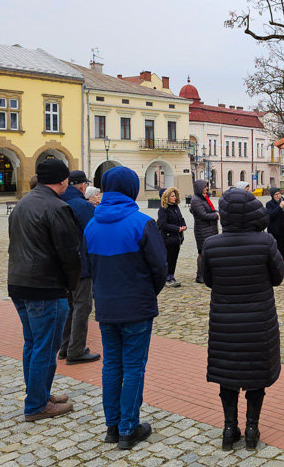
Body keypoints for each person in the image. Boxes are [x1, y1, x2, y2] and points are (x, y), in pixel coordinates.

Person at [85, 166, 168, 449]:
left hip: (107, 305)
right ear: (132, 189)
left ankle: (112, 425)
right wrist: (147, 292)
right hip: (136, 305)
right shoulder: (142, 223)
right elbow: (160, 267)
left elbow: (87, 267)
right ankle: (128, 427)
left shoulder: (91, 224)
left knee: (111, 365)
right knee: (133, 367)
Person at [200, 188, 284, 451]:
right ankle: (251, 428)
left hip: (224, 322)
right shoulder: (266, 242)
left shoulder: (211, 244)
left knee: (228, 374)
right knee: (255, 374)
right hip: (258, 321)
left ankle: (228, 428)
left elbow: (209, 281)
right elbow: (278, 277)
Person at [7, 159, 80, 422]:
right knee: (45, 348)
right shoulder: (58, 207)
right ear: (62, 181)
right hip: (45, 286)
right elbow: (68, 253)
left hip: (19, 283)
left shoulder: (23, 203)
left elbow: (14, 242)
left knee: (33, 344)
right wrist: (71, 285)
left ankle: (39, 394)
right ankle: (37, 405)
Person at [58, 170, 100, 365]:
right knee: (82, 307)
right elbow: (94, 234)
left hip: (61, 265)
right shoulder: (82, 206)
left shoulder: (57, 203)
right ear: (83, 186)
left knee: (69, 307)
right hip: (80, 264)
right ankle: (76, 350)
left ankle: (65, 347)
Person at [190, 179, 219, 284]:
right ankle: (200, 275)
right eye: (205, 186)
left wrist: (216, 212)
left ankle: (208, 273)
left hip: (210, 228)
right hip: (202, 229)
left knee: (209, 251)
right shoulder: (196, 200)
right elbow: (203, 215)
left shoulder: (204, 198)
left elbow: (210, 210)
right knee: (202, 252)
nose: (207, 188)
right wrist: (216, 216)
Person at [158, 187, 188, 288]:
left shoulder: (176, 207)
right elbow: (163, 224)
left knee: (174, 258)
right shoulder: (163, 209)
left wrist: (183, 225)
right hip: (167, 238)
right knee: (168, 258)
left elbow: (181, 218)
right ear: (167, 197)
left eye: (175, 196)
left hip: (177, 238)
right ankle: (166, 278)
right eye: (172, 196)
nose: (174, 198)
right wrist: (177, 228)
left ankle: (172, 276)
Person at [266, 187, 284, 276]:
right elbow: (271, 215)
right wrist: (280, 207)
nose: (278, 196)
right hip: (275, 231)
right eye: (276, 194)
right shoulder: (269, 204)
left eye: (279, 193)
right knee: (276, 251)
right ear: (272, 196)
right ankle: (277, 270)